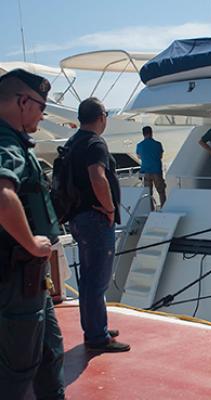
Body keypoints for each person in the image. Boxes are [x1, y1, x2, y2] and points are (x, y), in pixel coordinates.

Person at [0, 69, 65, 399]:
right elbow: (2, 196)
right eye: (41, 106)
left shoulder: (15, 141)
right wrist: (32, 243)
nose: (43, 114)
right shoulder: (5, 141)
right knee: (17, 372)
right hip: (15, 280)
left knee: (48, 356)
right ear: (23, 102)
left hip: (30, 280)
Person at [67, 97, 130, 352]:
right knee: (97, 279)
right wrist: (110, 208)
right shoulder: (95, 143)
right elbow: (97, 176)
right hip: (95, 219)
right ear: (101, 117)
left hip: (79, 217)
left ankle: (95, 327)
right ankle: (97, 336)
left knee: (89, 278)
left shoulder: (74, 142)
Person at [136, 126, 166, 209]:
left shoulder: (139, 145)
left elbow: (139, 156)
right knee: (161, 191)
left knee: (148, 194)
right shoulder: (158, 144)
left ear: (143, 134)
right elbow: (160, 156)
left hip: (145, 171)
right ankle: (164, 208)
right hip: (156, 170)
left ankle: (150, 210)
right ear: (151, 133)